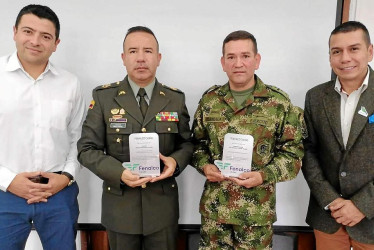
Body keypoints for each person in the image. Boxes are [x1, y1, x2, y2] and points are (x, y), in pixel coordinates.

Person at [77, 26, 193, 250]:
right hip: (120, 208)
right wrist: (118, 173)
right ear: (123, 58)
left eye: (148, 51)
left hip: (162, 209)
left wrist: (175, 162)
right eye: (133, 51)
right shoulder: (104, 98)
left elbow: (187, 143)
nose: (141, 58)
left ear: (158, 58)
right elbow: (86, 149)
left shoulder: (174, 98)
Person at [192, 30, 305, 249]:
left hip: (256, 215)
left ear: (257, 60)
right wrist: (204, 166)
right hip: (215, 212)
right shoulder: (210, 100)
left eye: (245, 56)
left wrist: (264, 175)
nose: (238, 63)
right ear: (223, 63)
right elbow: (197, 144)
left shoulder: (279, 103)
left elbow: (293, 155)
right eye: (231, 57)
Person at [0, 4, 85, 250]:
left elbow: (77, 136)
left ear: (56, 43)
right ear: (15, 32)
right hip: (5, 194)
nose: (35, 41)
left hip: (58, 194)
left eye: (45, 36)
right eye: (28, 31)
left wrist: (66, 177)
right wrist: (9, 180)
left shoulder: (70, 83)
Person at [302, 21, 374, 249]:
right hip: (328, 216)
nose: (345, 58)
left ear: (370, 51)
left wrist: (362, 205)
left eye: (354, 49)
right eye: (337, 51)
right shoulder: (315, 97)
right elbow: (307, 151)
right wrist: (330, 200)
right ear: (330, 56)